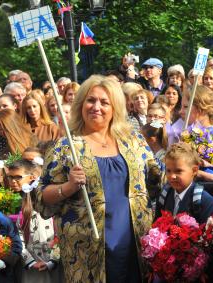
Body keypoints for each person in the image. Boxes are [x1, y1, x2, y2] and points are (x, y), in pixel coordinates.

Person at [34, 75, 155, 282]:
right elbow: (41, 197)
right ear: (80, 105)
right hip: (87, 248)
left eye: (104, 102)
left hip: (135, 241)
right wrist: (69, 186)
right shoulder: (66, 147)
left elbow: (157, 179)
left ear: (115, 107)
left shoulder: (134, 141)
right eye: (90, 100)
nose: (96, 107)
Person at [6, 160, 62, 283]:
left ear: (31, 177)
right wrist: (30, 261)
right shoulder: (15, 202)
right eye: (10, 177)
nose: (13, 181)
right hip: (31, 268)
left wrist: (53, 260)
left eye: (18, 177)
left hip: (52, 262)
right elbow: (17, 237)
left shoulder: (46, 200)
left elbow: (60, 232)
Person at [154, 142, 213, 224]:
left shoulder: (204, 201)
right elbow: (157, 224)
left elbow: (208, 234)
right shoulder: (164, 195)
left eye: (178, 171)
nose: (172, 176)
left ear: (194, 170)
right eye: (168, 171)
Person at [179, 85, 213, 181]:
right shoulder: (192, 133)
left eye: (186, 107)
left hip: (208, 192)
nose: (181, 111)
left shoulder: (212, 134)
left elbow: (208, 170)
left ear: (201, 108)